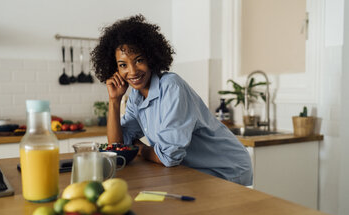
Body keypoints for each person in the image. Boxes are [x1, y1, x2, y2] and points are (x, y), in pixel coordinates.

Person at [91, 14, 253, 186]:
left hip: (227, 169)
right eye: (123, 65)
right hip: (194, 171)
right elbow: (118, 146)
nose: (132, 71)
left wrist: (139, 149)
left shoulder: (171, 87)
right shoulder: (136, 98)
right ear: (115, 68)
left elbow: (169, 157)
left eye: (139, 60)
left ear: (151, 58)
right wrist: (114, 100)